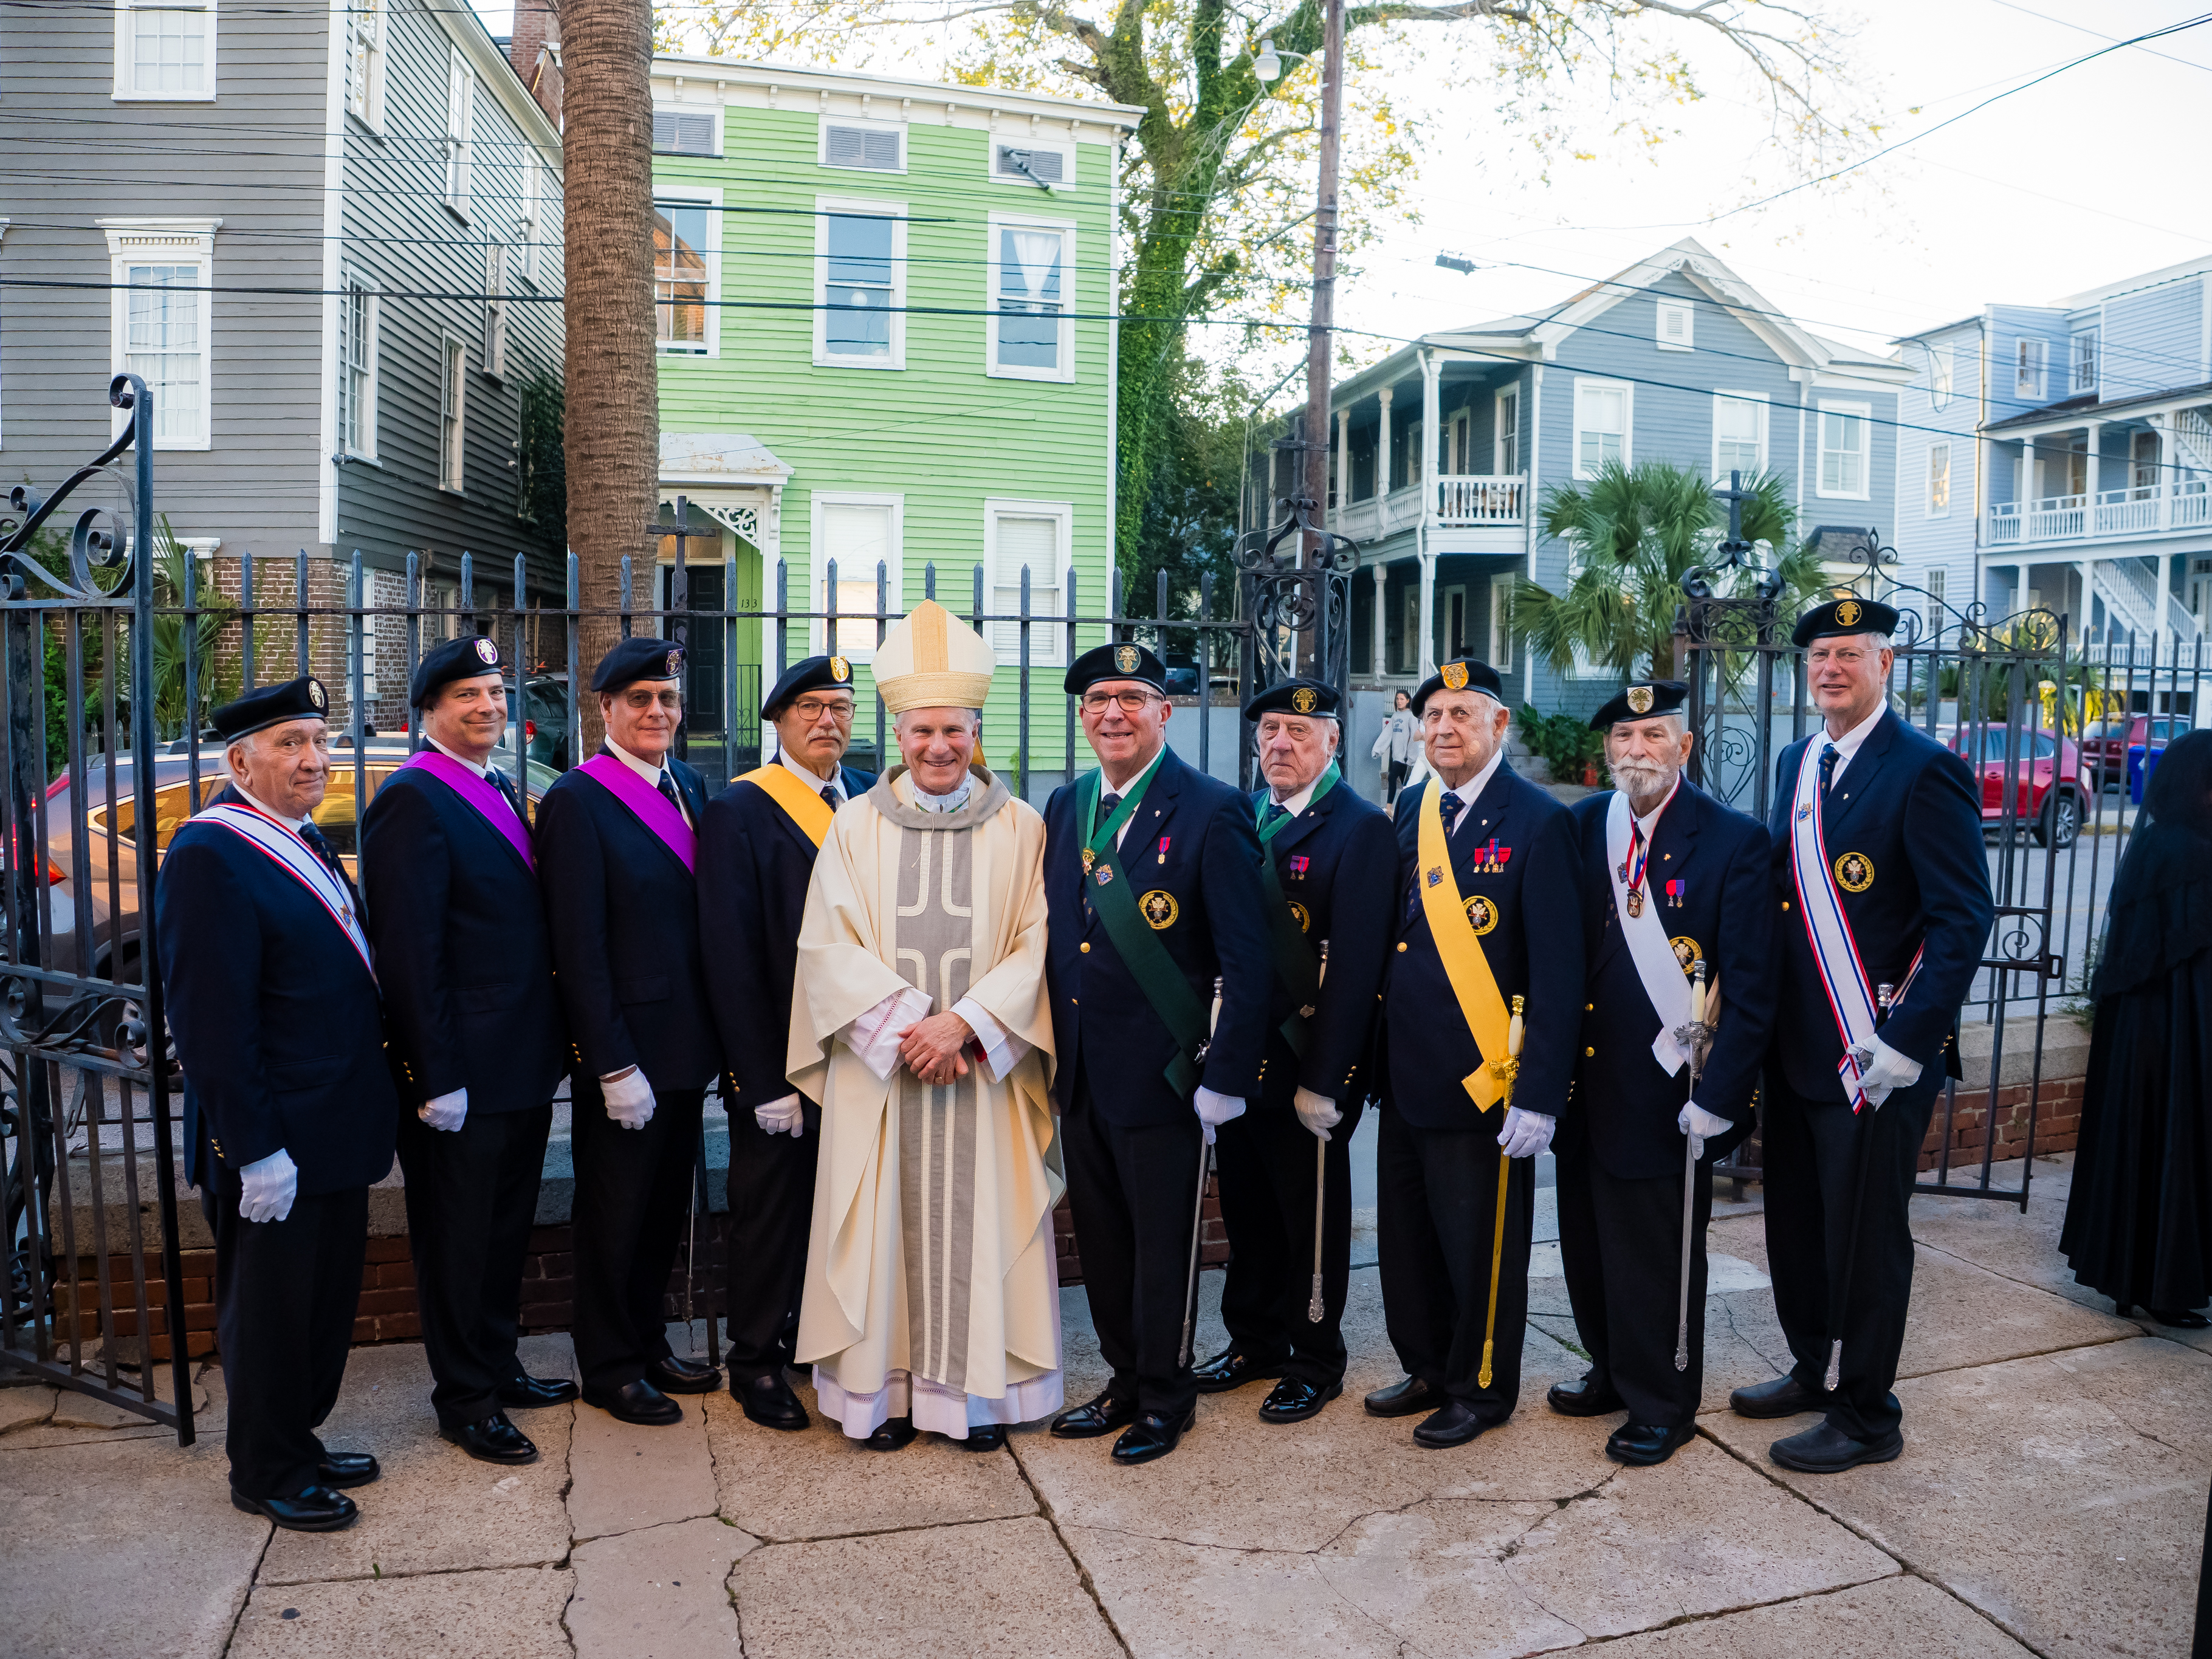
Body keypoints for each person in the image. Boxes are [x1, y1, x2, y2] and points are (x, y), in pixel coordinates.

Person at [786, 601, 1062, 1450]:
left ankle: (972, 1401)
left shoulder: (1023, 827)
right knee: (881, 1234)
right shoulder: (854, 826)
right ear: (896, 732)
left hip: (979, 1072)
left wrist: (967, 1027)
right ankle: (879, 1399)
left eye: (954, 729)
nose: (938, 747)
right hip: (886, 1076)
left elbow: (1035, 939)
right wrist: (913, 1028)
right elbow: (826, 945)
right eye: (920, 731)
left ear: (976, 730)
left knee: (978, 1229)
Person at [1745, 598, 1993, 1473]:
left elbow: (1963, 919)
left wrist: (1906, 1037)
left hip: (1875, 1054)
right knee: (1802, 1224)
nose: (1830, 668)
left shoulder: (1925, 769)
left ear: (1886, 664)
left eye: (1850, 653)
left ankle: (1867, 1412)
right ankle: (1814, 1367)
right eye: (1819, 656)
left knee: (1868, 1236)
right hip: (1800, 1047)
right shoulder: (1797, 759)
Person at [155, 676, 399, 1532]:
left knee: (320, 1306)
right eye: (290, 743)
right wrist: (253, 1147)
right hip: (277, 1143)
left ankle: (297, 1435)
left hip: (333, 1128)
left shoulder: (301, 839)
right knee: (269, 1314)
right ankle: (266, 1466)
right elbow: (213, 1023)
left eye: (319, 742)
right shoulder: (209, 853)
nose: (313, 759)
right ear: (240, 760)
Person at [1042, 641, 1273, 1465]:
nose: (1114, 713)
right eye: (1100, 699)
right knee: (1101, 1237)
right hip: (1083, 1070)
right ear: (1083, 715)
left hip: (1168, 1075)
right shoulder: (1067, 805)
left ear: (1164, 713)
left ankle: (1167, 1396)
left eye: (1132, 699)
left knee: (1163, 1242)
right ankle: (1125, 1380)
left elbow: (1251, 962)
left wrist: (1225, 1075)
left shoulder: (1212, 809)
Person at [360, 636, 572, 1468]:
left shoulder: (497, 784)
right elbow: (412, 951)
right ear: (430, 714)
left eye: (494, 691)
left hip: (518, 1059)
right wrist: (434, 1072)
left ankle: (498, 1362)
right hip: (462, 1073)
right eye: (467, 696)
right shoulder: (412, 799)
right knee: (456, 1239)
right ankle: (465, 1399)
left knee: (504, 1229)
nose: (488, 706)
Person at [1552, 681, 1776, 1465]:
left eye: (1652, 735)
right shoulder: (1582, 828)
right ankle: (1611, 1369)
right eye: (1623, 737)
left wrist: (1720, 1097)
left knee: (1656, 1256)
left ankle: (1663, 1399)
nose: (1635, 750)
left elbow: (1751, 983)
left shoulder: (1732, 840)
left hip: (1668, 1092)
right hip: (1584, 1080)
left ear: (1685, 747)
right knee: (1585, 1241)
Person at [1367, 658, 1582, 1448]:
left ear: (1499, 725)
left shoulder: (1538, 819)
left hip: (1487, 1078)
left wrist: (1539, 1093)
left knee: (1479, 1248)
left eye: (1463, 712)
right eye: (1434, 715)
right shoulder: (1413, 807)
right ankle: (1427, 1365)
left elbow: (1559, 970)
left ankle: (1482, 1384)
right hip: (1407, 1072)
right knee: (1410, 1242)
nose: (1446, 727)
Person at [1197, 677, 1396, 1423]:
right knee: (1246, 1208)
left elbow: (1354, 970)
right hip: (1241, 1057)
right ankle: (1254, 1341)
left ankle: (1314, 1356)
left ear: (1332, 743)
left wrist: (1328, 1078)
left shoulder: (1358, 827)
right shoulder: (1241, 815)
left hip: (1305, 1058)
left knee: (1308, 1213)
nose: (1281, 744)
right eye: (1271, 730)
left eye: (1299, 733)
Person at [537, 638, 723, 1426]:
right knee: (614, 1214)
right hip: (628, 1057)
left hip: (686, 1050)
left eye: (669, 699)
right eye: (640, 699)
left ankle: (648, 1342)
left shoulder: (691, 786)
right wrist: (611, 1063)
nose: (657, 713)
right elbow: (577, 947)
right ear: (604, 709)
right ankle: (609, 1365)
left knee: (659, 1213)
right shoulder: (579, 800)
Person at [698, 654, 877, 1432]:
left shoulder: (869, 797)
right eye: (810, 707)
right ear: (777, 721)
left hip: (863, 1048)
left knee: (843, 1207)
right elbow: (729, 953)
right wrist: (758, 1078)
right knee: (770, 1211)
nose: (828, 721)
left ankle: (818, 1340)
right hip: (782, 1052)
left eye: (839, 707)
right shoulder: (741, 810)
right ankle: (756, 1359)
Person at [2061, 727, 2212, 1328]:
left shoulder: (2158, 846)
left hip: (2140, 1037)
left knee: (2141, 1147)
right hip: (2179, 1036)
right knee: (2174, 1147)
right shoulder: (2193, 853)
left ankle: (2134, 1277)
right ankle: (2164, 1284)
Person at [1370, 689, 1417, 803]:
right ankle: (1404, 806)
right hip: (1396, 757)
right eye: (1397, 699)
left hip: (1405, 758)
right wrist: (1378, 750)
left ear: (1407, 700)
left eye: (1402, 699)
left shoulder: (1411, 716)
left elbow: (1414, 737)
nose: (1399, 701)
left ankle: (1390, 807)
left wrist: (1411, 757)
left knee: (1393, 778)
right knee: (1405, 786)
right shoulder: (1395, 716)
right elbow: (1387, 734)